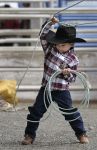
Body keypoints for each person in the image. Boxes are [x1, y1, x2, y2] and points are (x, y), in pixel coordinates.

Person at [22, 17, 89, 145]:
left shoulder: (73, 59)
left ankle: (81, 133)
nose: (59, 46)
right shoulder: (49, 49)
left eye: (62, 45)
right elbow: (43, 35)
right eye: (57, 43)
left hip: (62, 90)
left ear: (72, 44)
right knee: (36, 112)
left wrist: (67, 74)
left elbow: (73, 79)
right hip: (46, 88)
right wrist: (49, 22)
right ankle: (29, 135)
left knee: (69, 112)